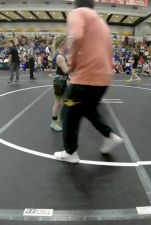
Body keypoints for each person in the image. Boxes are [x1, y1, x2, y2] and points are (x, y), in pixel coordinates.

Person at [53, 0, 123, 163]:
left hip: (86, 77)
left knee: (68, 112)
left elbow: (76, 36)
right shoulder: (101, 22)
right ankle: (109, 135)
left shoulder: (77, 13)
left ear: (76, 4)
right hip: (103, 78)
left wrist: (74, 63)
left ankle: (70, 152)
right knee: (88, 109)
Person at [50, 35, 70, 132]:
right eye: (67, 42)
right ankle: (53, 123)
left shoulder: (63, 55)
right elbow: (66, 70)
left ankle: (65, 119)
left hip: (63, 81)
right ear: (62, 44)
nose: (68, 44)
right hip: (59, 82)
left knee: (67, 101)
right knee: (58, 103)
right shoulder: (60, 57)